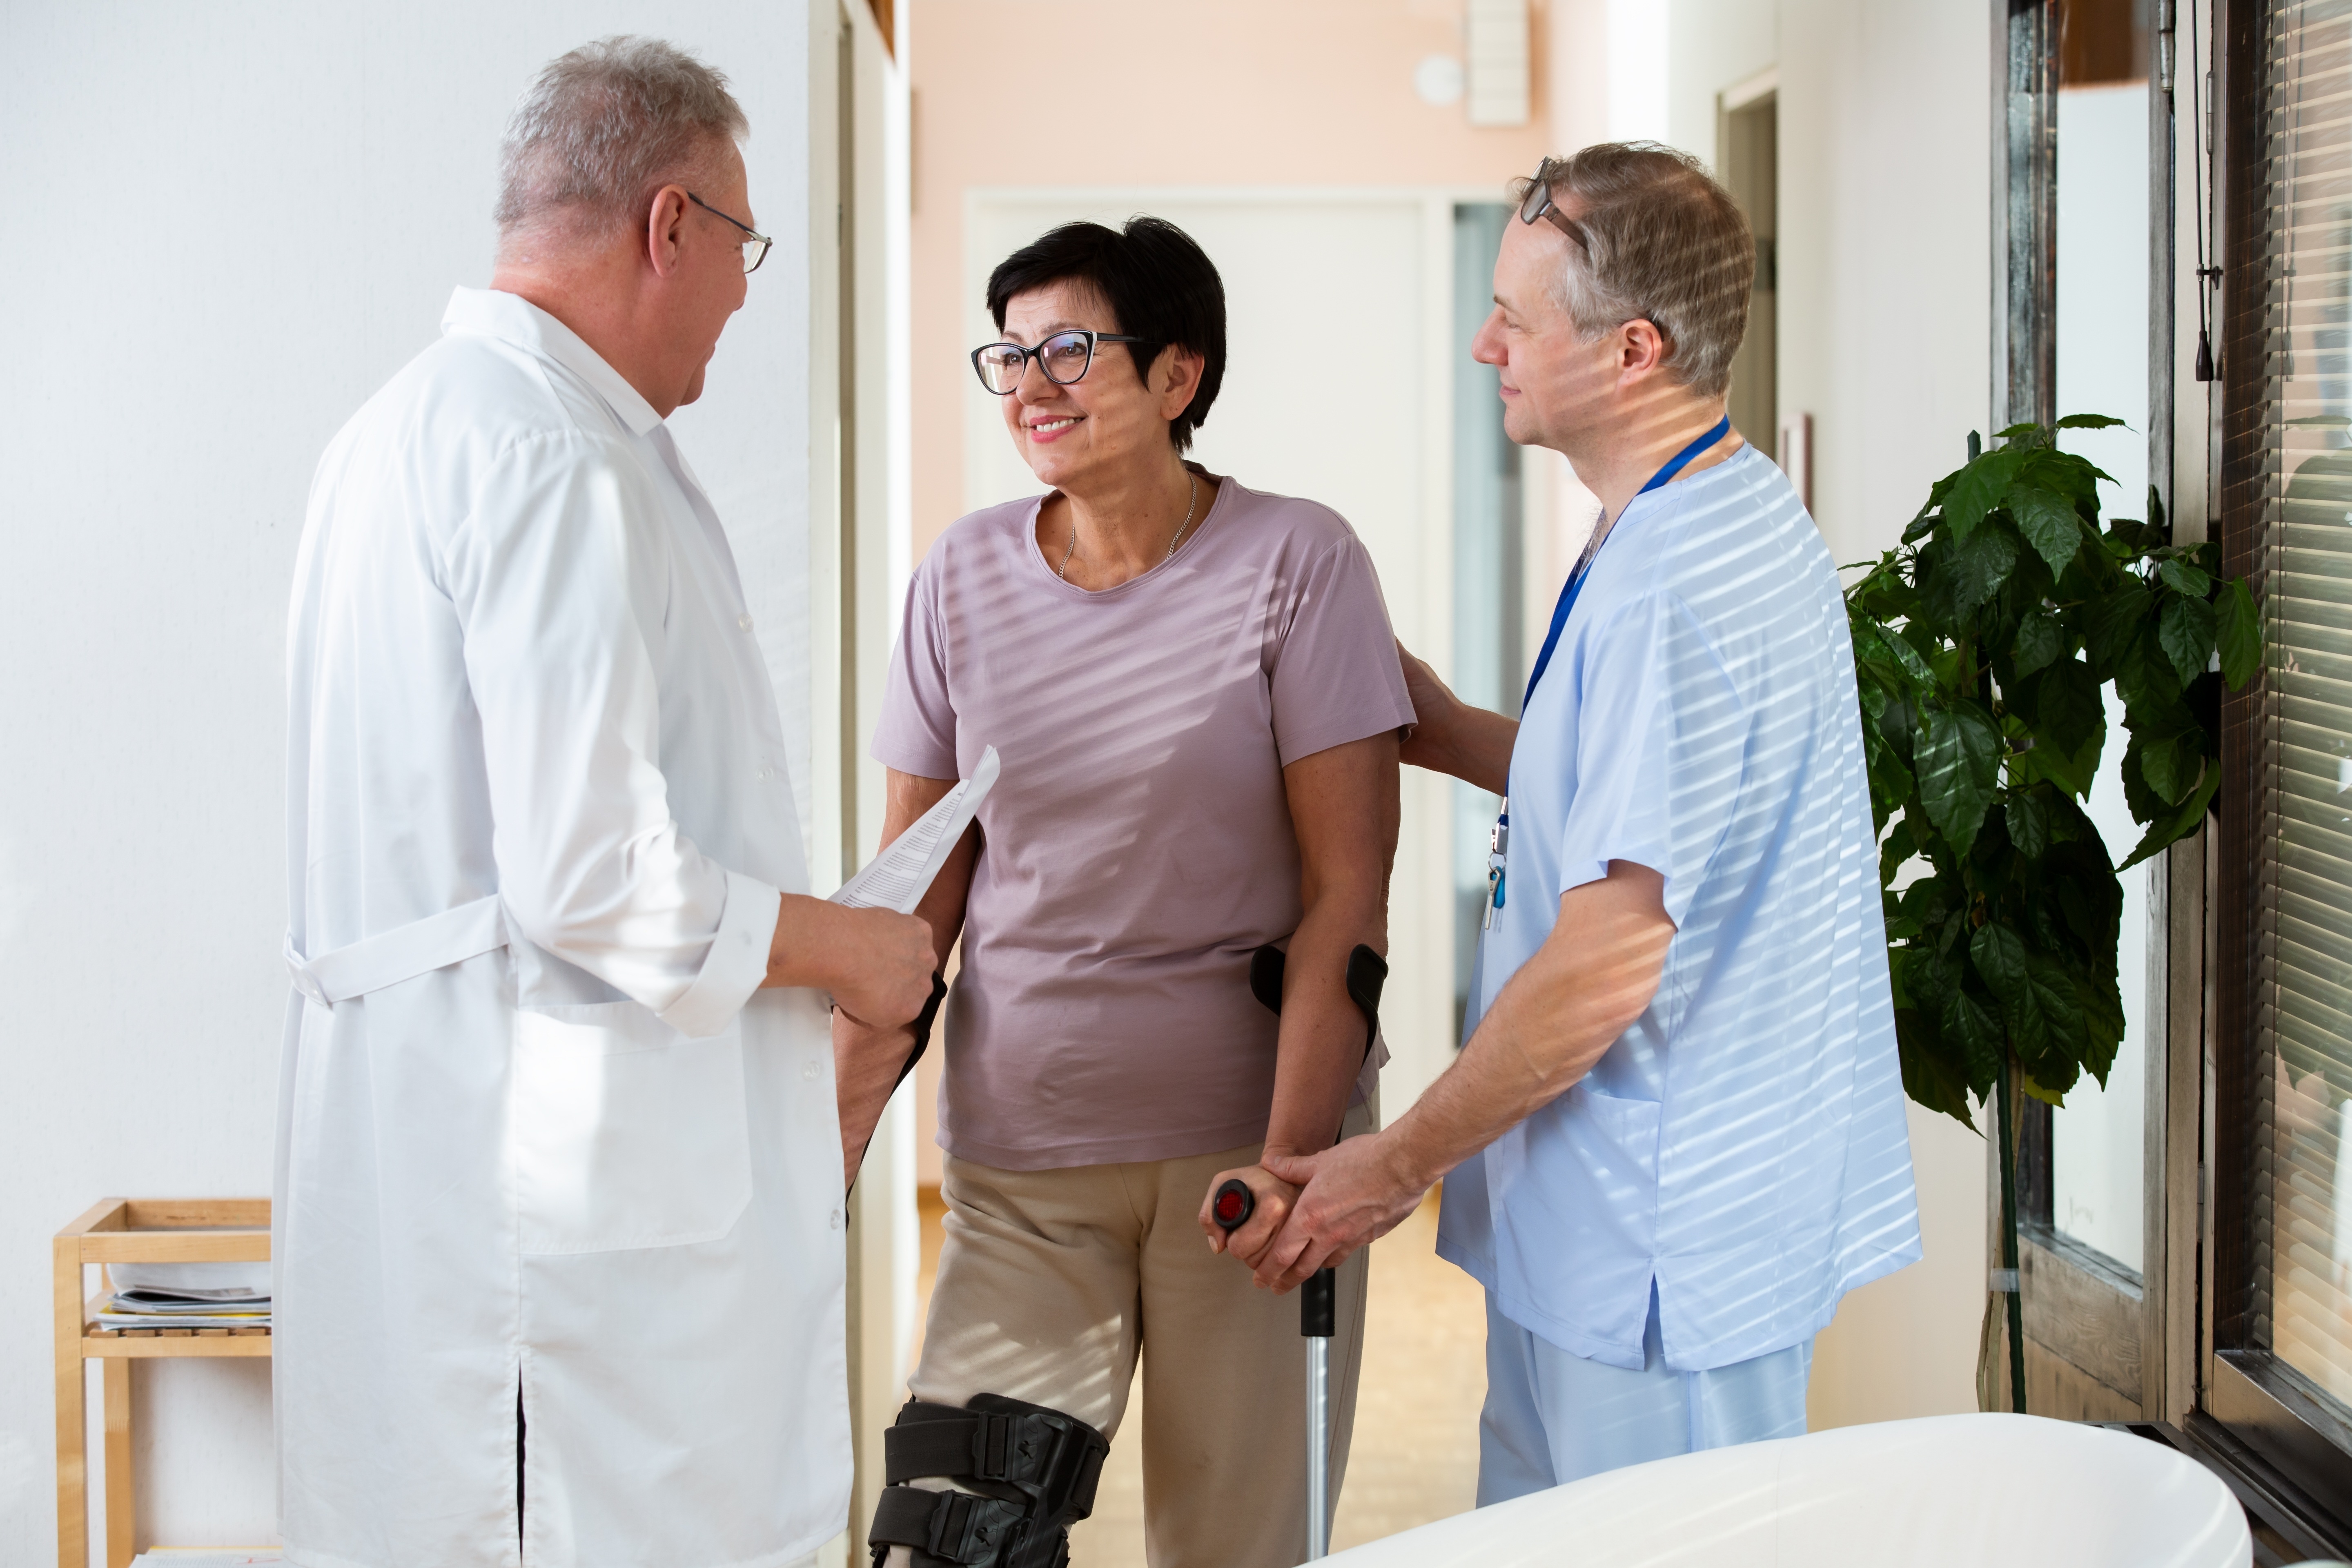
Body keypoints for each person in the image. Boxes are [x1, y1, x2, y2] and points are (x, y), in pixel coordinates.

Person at [277, 38, 935, 1568]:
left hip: (439, 1159)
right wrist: (852, 952)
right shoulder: (551, 454)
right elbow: (586, 875)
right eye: (746, 246)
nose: (746, 291)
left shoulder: (397, 433)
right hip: (545, 1203)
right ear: (670, 225)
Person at [1246, 144, 1924, 1497]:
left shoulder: (1673, 584)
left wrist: (1396, 1164)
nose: (1483, 342)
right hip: (1614, 1230)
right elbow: (1667, 807)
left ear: (1633, 350)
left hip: (1659, 1248)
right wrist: (1453, 737)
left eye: (1518, 316)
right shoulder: (1705, 507)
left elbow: (1610, 961)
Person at [839, 217, 1412, 1567]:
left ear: (1178, 377)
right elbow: (911, 908)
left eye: (1071, 350)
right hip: (1023, 1163)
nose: (1031, 385)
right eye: (1011, 355)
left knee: (1230, 1545)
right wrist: (832, 1142)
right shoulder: (961, 578)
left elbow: (1348, 898)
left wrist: (1293, 1171)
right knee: (952, 1538)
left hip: (1245, 1163)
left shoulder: (1297, 563)